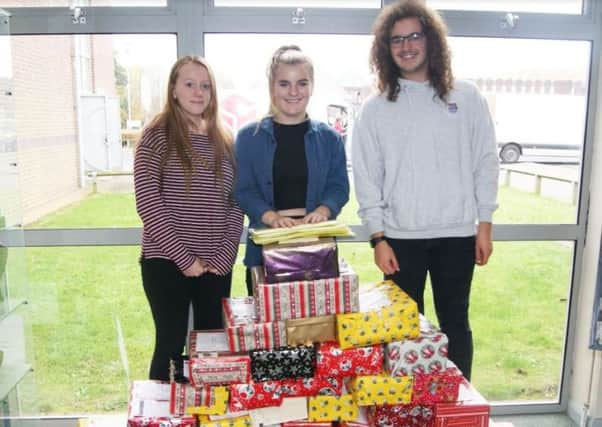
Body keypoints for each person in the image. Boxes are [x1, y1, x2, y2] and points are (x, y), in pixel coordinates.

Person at [352, 0, 499, 381]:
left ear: (431, 40)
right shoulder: (375, 109)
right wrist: (378, 238)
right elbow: (367, 179)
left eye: (414, 36)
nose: (406, 46)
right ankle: (405, 411)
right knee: (400, 333)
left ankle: (459, 405)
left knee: (455, 324)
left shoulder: (467, 98)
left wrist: (485, 222)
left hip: (456, 235)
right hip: (400, 240)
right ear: (386, 49)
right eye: (396, 40)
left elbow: (485, 161)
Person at [134, 55, 243, 381]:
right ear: (174, 89)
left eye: (205, 85)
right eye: (190, 84)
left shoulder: (225, 140)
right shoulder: (155, 135)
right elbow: (148, 204)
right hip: (165, 262)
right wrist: (184, 259)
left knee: (212, 349)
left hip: (215, 264)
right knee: (169, 343)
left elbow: (236, 202)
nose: (198, 92)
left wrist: (225, 256)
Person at [235, 45, 350, 296]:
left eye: (302, 83)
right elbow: (243, 190)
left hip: (317, 251)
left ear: (312, 86)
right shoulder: (247, 138)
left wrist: (323, 210)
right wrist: (270, 217)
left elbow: (339, 187)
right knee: (269, 333)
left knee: (316, 331)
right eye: (284, 84)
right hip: (265, 252)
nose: (294, 92)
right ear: (271, 87)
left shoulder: (330, 139)